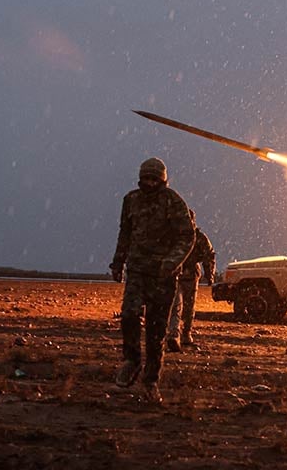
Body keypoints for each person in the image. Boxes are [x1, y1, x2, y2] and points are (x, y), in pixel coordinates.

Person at [109, 157, 196, 403]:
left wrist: (170, 263)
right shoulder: (131, 200)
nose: (149, 182)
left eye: (154, 179)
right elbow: (124, 233)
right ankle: (132, 361)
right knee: (129, 315)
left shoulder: (174, 202)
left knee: (156, 333)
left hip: (163, 277)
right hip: (136, 271)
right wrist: (118, 262)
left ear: (163, 180)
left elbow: (186, 237)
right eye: (145, 178)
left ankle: (151, 382)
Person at [166, 211, 216, 352]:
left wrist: (209, 274)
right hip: (176, 275)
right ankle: (174, 335)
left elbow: (209, 255)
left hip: (191, 276)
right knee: (176, 306)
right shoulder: (175, 236)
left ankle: (186, 333)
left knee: (189, 307)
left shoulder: (199, 238)